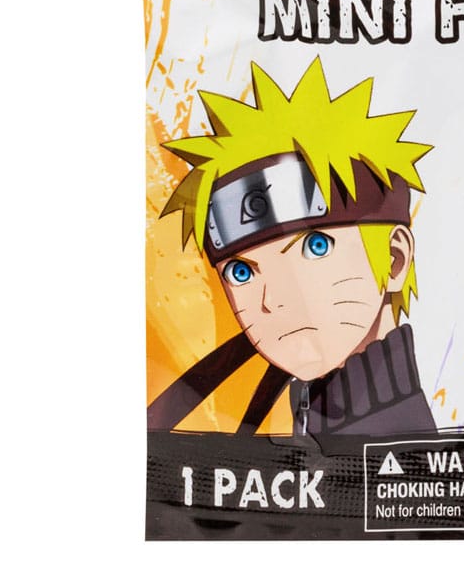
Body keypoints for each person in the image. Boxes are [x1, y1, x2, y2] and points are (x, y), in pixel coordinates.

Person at [147, 57, 436, 436]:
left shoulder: (389, 435)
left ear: (395, 259)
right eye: (241, 271)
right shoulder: (297, 407)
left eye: (316, 247)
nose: (274, 300)